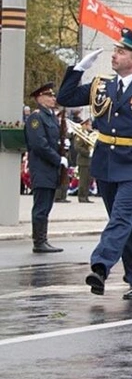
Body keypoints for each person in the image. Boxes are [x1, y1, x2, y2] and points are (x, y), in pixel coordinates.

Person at [57, 28, 132, 298]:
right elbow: (65, 98)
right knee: (121, 223)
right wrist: (77, 70)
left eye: (120, 52)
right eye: (115, 51)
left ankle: (100, 266)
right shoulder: (103, 86)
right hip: (106, 162)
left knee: (121, 218)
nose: (114, 55)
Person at [23, 82, 67, 253]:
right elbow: (39, 144)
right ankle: (38, 241)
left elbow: (53, 141)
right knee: (41, 207)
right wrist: (58, 159)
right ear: (39, 98)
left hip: (50, 169)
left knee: (46, 206)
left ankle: (43, 239)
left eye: (53, 95)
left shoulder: (50, 117)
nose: (53, 98)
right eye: (49, 96)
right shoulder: (36, 118)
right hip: (42, 167)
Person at [74, 117, 95, 202]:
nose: (90, 126)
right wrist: (87, 152)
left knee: (88, 180)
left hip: (89, 161)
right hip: (83, 160)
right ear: (85, 125)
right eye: (89, 125)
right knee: (83, 180)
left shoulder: (88, 134)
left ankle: (86, 196)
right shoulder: (80, 135)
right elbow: (77, 147)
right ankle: (81, 196)